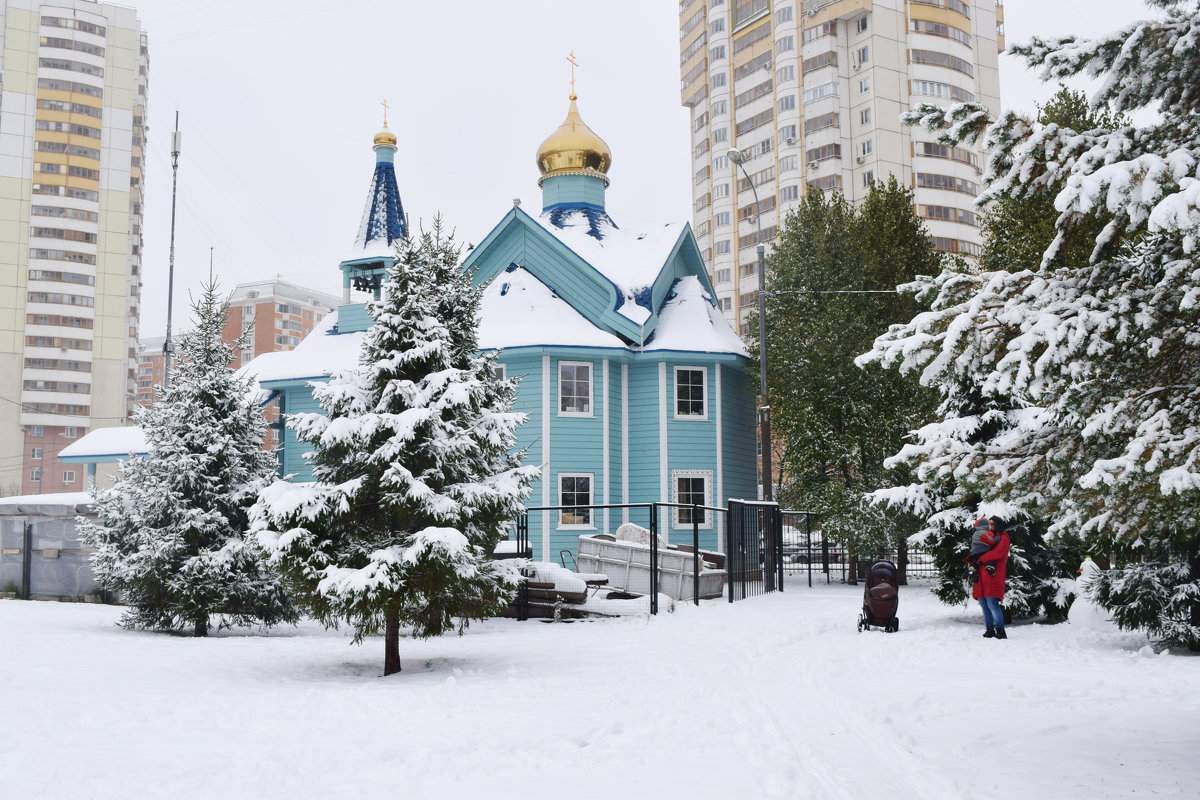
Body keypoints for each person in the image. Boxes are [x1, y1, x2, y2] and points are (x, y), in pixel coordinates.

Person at [970, 516, 1011, 639]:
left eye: (993, 524)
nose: (990, 527)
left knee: (992, 602)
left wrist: (980, 559)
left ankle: (1000, 630)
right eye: (989, 524)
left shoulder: (1003, 537)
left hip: (994, 574)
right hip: (981, 575)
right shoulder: (986, 536)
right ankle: (989, 629)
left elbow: (998, 553)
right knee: (983, 602)